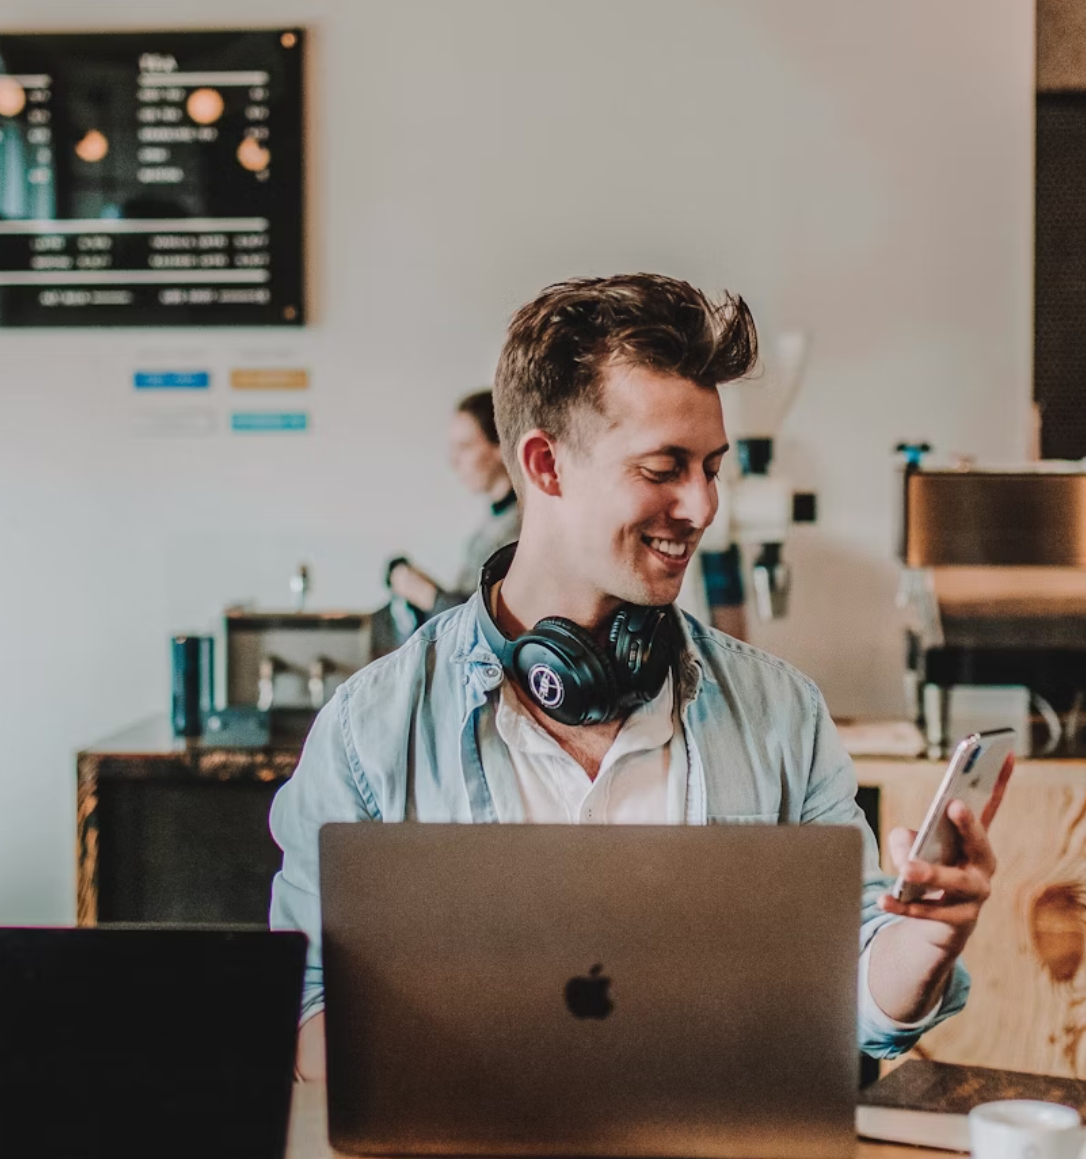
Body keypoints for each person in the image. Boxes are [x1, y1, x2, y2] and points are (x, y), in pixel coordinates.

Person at [269, 274, 1011, 1080]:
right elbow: (304, 1009)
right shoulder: (366, 731)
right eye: (664, 468)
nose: (701, 506)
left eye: (712, 467)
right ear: (546, 465)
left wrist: (926, 940)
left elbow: (852, 994)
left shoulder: (781, 712)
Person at [386, 391, 522, 618]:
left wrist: (423, 592)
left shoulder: (521, 527)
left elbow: (486, 623)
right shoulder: (494, 521)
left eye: (465, 446)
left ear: (500, 446)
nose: (454, 461)